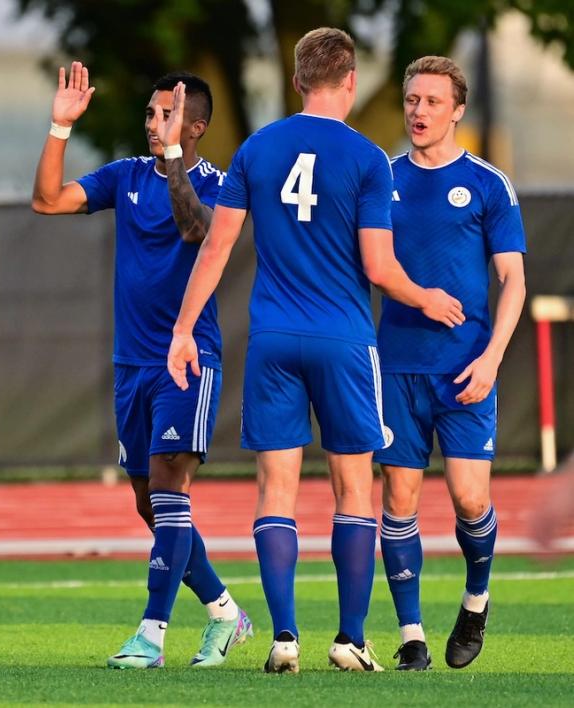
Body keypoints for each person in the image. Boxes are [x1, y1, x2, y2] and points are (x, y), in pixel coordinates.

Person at [167, 28, 465, 673]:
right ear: (351, 81)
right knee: (354, 489)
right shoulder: (367, 159)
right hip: (343, 340)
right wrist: (428, 297)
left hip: (273, 339)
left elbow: (216, 249)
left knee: (276, 489)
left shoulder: (257, 148)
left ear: (299, 81)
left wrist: (184, 329)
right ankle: (350, 640)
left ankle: (283, 639)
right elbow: (380, 267)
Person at [33, 63, 252, 670]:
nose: (154, 124)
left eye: (168, 115)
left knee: (168, 489)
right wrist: (60, 125)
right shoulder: (124, 176)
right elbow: (46, 200)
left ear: (196, 125)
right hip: (131, 364)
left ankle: (151, 635)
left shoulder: (217, 183)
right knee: (148, 502)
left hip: (188, 360)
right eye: (153, 114)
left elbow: (194, 229)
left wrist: (177, 154)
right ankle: (226, 614)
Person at [375, 56, 526, 671]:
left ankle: (476, 598)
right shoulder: (379, 178)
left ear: (457, 110)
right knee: (399, 498)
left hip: (466, 369)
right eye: (412, 100)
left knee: (469, 499)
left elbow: (513, 281)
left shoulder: (489, 184)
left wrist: (491, 358)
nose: (418, 111)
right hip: (396, 365)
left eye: (433, 102)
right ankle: (412, 637)